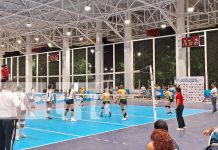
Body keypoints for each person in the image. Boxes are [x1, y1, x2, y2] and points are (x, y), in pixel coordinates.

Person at [0, 81, 21, 150]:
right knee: (9, 138)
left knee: (1, 137)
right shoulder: (13, 95)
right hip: (9, 119)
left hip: (1, 118)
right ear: (12, 86)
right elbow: (18, 106)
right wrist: (18, 116)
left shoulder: (0, 94)